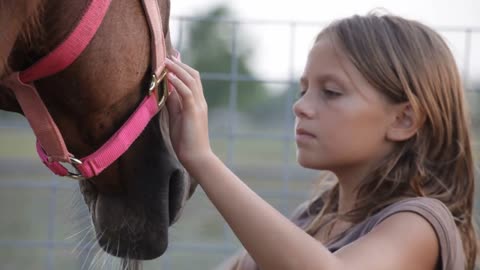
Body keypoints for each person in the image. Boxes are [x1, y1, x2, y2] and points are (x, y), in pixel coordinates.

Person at [164, 13, 476, 270]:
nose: (300, 106)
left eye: (331, 92)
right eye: (304, 90)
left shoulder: (421, 225)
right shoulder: (315, 216)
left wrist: (203, 160)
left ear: (403, 120)